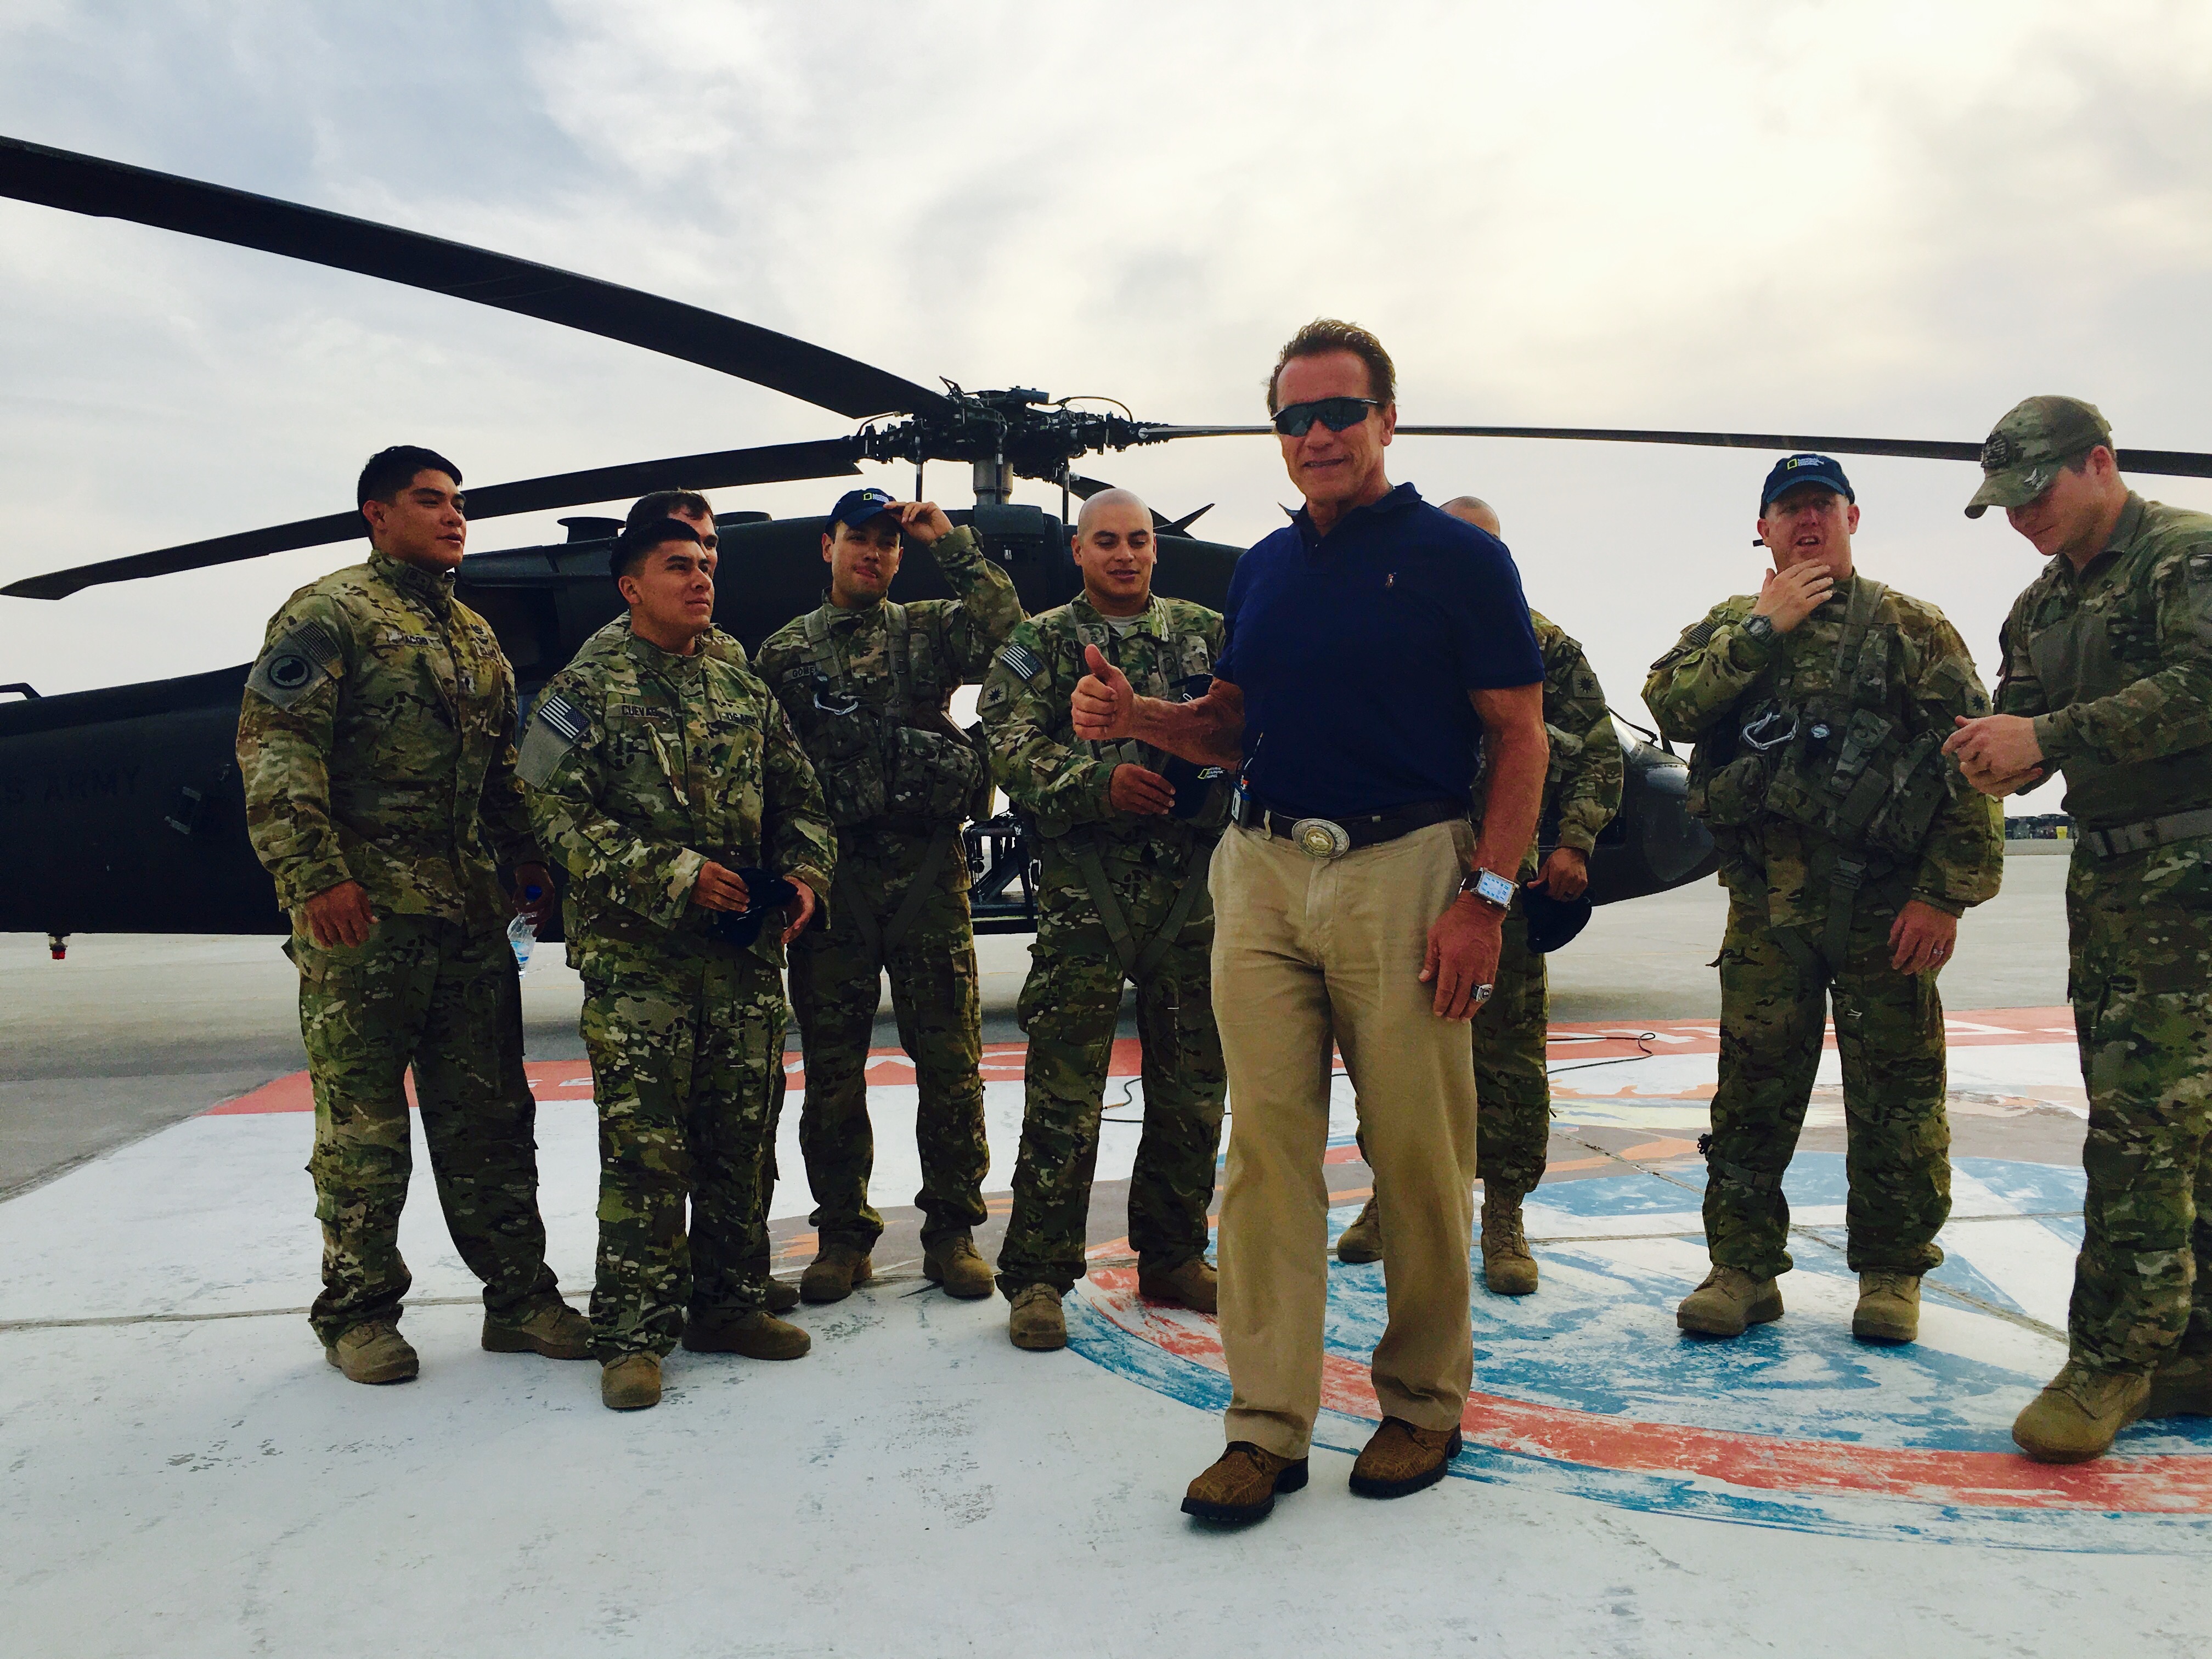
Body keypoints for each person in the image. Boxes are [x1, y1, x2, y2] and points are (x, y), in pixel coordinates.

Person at [1074, 319, 1550, 1524]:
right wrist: (1143, 719)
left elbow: (1520, 734)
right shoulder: (1265, 568)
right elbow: (1233, 724)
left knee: (1417, 1150)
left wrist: (1485, 899)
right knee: (1267, 1153)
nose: (1318, 435)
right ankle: (1267, 1425)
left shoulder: (1458, 559)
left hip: (1407, 867)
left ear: (1388, 421)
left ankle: (1422, 1403)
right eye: (1295, 418)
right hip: (1264, 866)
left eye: (1339, 413)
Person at [236, 444, 588, 1385]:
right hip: (364, 917)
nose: (453, 517)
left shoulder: (474, 636)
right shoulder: (328, 613)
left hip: (467, 916)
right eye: (430, 501)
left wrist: (527, 861)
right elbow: (277, 749)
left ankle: (518, 1298)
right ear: (375, 515)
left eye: (459, 503)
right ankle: (356, 1312)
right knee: (363, 1126)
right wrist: (317, 877)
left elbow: (503, 774)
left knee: (490, 1116)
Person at [1644, 453, 2003, 1347]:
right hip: (1767, 908)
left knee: (1897, 1094)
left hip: (1886, 909)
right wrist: (1761, 631)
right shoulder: (1734, 624)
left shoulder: (1914, 629)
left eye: (1822, 507)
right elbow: (1671, 704)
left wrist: (1946, 897)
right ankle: (1742, 1268)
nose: (1807, 522)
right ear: (1761, 530)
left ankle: (1891, 1273)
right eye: (1788, 510)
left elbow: (1975, 764)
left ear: (1853, 518)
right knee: (1752, 1093)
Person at [1945, 397, 2212, 1464]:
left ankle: (2112, 1358)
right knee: (2177, 1123)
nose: (2021, 517)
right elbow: (2024, 734)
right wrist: (1983, 753)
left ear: (2102, 463)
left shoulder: (2184, 559)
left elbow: (2204, 685)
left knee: (2143, 1129)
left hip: (2194, 875)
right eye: (2003, 503)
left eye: (2036, 493)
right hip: (2115, 888)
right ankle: (2190, 1345)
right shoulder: (2040, 610)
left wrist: (2046, 733)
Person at [519, 516, 836, 1409]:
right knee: (648, 1153)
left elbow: (801, 795)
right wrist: (675, 874)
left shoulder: (741, 686)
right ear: (630, 586)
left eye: (706, 566)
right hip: (641, 966)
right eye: (678, 567)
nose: (701, 580)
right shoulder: (582, 693)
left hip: (741, 964)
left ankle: (729, 1303)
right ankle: (633, 1332)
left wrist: (805, 875)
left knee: (742, 1138)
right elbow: (550, 814)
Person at [1334, 495, 1622, 1295]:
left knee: (1507, 1057)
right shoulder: (1392, 630)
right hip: (1401, 875)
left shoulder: (1545, 646)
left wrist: (1574, 842)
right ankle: (1392, 1198)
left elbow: (1597, 750)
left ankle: (1503, 1213)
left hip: (1507, 882)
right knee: (1387, 1050)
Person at [755, 487, 1024, 1304]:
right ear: (827, 546)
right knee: (833, 1073)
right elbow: (766, 769)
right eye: (858, 540)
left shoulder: (930, 629)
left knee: (951, 1065)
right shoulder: (784, 655)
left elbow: (1011, 636)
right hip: (833, 883)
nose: (873, 554)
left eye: (887, 544)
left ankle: (953, 1232)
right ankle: (843, 1235)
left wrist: (951, 541)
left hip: (928, 877)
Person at [978, 488, 1228, 1352]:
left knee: (1194, 1092)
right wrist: (1096, 783)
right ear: (1079, 553)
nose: (1125, 555)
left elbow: (1249, 726)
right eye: (1107, 542)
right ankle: (1041, 1275)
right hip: (1090, 896)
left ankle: (1173, 1254)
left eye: (1139, 541)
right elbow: (1004, 741)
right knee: (1066, 1094)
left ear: (1157, 550)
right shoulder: (1040, 641)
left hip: (1194, 893)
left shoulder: (1207, 632)